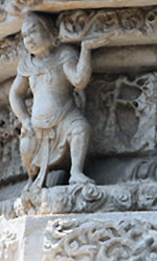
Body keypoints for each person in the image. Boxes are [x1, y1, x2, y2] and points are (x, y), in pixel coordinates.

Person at [9, 12, 95, 189]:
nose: (28, 39)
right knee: (26, 144)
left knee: (80, 129)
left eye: (33, 32)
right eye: (24, 36)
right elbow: (15, 94)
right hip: (37, 123)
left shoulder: (64, 54)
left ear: (49, 32)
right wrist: (25, 119)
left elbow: (79, 80)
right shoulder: (27, 64)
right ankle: (31, 177)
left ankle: (76, 172)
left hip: (65, 115)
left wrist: (85, 50)